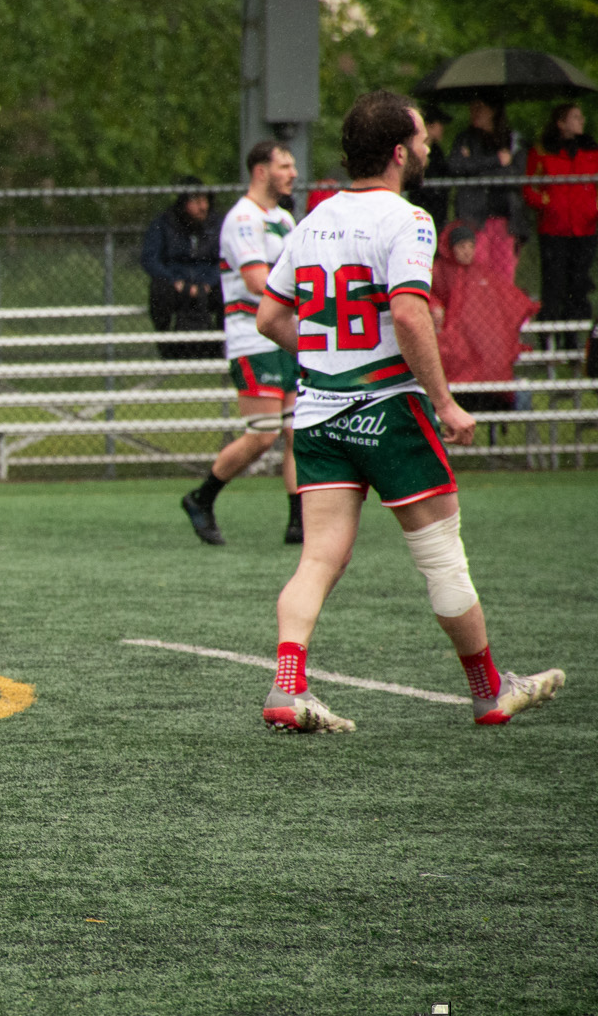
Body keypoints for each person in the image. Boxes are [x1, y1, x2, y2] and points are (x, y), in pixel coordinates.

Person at [252, 90, 565, 733]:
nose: (426, 148)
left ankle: (288, 685)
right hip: (388, 410)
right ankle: (487, 693)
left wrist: (330, 357)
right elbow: (408, 311)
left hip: (318, 412)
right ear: (399, 152)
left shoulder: (311, 221)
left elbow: (270, 317)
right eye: (421, 139)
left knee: (318, 559)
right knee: (443, 558)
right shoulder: (410, 220)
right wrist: (446, 402)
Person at [180, 140, 303, 547]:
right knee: (263, 435)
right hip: (254, 336)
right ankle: (201, 497)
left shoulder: (284, 218)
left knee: (296, 432)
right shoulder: (243, 218)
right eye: (285, 165)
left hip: (288, 333)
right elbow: (255, 283)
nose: (293, 173)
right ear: (261, 171)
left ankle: (298, 522)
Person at [431, 220, 537, 424]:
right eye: (462, 247)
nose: (467, 251)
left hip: (480, 344)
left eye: (471, 246)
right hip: (453, 342)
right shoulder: (439, 271)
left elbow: (508, 298)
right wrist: (435, 307)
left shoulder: (483, 274)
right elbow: (425, 294)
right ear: (451, 248)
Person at [523, 102, 598, 342]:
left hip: (584, 228)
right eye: (575, 117)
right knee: (554, 286)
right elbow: (528, 187)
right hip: (554, 229)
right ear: (561, 122)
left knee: (579, 285)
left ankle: (574, 341)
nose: (581, 121)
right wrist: (546, 203)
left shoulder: (591, 151)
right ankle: (547, 341)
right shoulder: (543, 151)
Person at [140, 180, 220, 360]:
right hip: (175, 286)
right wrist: (175, 281)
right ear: (184, 202)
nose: (203, 207)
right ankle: (166, 343)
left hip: (207, 286)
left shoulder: (217, 225)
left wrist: (208, 282)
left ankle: (223, 345)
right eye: (197, 201)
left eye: (205, 201)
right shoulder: (164, 223)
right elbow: (149, 259)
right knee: (159, 290)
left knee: (228, 289)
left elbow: (225, 259)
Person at [446, 97, 526, 237]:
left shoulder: (512, 140)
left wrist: (473, 168)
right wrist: (494, 161)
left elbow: (516, 174)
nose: (474, 113)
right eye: (472, 108)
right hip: (472, 215)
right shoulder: (464, 139)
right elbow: (454, 167)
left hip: (505, 213)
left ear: (493, 110)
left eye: (480, 108)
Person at [408, 104, 452, 230]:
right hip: (419, 208)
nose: (442, 129)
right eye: (440, 124)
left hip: (438, 212)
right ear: (429, 125)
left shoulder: (438, 153)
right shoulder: (412, 151)